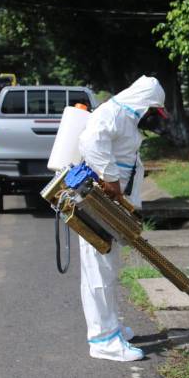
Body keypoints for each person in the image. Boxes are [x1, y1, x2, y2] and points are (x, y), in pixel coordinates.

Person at [77, 76, 169, 361]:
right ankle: (103, 340)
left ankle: (111, 327)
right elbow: (89, 141)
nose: (154, 120)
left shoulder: (126, 119)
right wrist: (112, 180)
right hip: (99, 206)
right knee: (98, 273)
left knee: (107, 269)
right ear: (146, 106)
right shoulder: (114, 113)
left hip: (109, 207)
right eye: (154, 113)